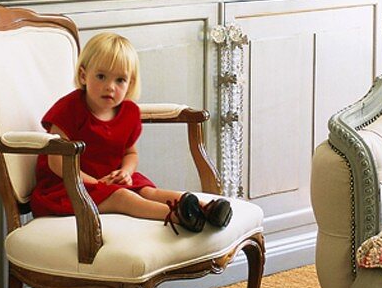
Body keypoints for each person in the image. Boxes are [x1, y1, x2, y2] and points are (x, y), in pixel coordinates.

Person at [29, 32, 233, 233]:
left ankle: (207, 208)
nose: (109, 87)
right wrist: (96, 183)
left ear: (130, 84)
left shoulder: (128, 112)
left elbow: (130, 153)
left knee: (148, 191)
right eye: (101, 76)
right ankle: (178, 216)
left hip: (111, 178)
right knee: (122, 197)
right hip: (70, 186)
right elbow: (56, 161)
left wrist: (126, 172)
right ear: (84, 75)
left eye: (120, 80)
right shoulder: (69, 109)